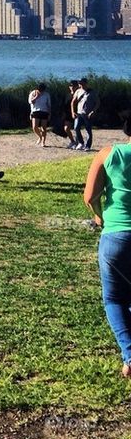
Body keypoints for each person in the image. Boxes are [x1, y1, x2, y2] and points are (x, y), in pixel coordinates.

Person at [84, 117, 131, 377]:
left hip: (117, 236)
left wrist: (99, 215)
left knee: (114, 298)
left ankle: (130, 353)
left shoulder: (110, 154)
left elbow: (90, 196)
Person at [72, 77, 99, 152]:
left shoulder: (92, 92)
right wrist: (73, 112)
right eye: (80, 84)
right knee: (76, 128)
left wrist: (93, 111)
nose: (81, 85)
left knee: (88, 129)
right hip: (79, 113)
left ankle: (88, 146)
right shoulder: (78, 91)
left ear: (86, 83)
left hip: (87, 114)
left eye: (82, 83)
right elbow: (73, 102)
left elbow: (97, 103)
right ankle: (81, 143)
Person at [28, 82, 52, 147]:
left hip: (44, 111)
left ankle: (43, 142)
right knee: (34, 127)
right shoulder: (33, 93)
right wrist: (36, 97)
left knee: (44, 127)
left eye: (43, 90)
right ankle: (40, 136)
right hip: (35, 111)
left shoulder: (46, 94)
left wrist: (49, 114)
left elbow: (49, 105)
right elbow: (31, 102)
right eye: (40, 90)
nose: (42, 91)